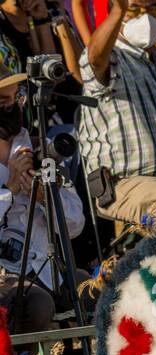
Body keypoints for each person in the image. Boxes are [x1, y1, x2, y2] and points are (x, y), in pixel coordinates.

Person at [78, 0, 156, 233]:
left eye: (151, 7)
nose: (144, 16)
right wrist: (119, 11)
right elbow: (95, 59)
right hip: (128, 184)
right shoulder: (113, 59)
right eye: (134, 9)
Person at [0, 63, 84, 333]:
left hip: (46, 269)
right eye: (3, 100)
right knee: (35, 305)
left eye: (17, 98)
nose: (12, 107)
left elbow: (75, 225)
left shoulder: (38, 148)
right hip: (5, 273)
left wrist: (44, 198)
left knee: (95, 292)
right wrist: (9, 190)